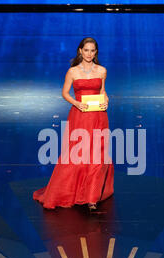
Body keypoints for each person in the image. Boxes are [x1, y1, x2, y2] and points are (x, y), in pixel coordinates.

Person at [33, 37, 114, 212]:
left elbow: (102, 92)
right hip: (80, 116)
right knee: (76, 153)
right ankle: (72, 191)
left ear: (96, 52)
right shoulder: (73, 72)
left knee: (97, 157)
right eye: (86, 50)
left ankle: (92, 198)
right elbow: (64, 92)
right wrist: (76, 103)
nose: (89, 54)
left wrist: (106, 101)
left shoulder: (102, 71)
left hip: (98, 116)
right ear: (80, 51)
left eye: (92, 51)